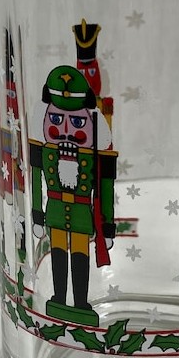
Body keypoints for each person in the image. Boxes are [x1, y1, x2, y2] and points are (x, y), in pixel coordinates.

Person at [29, 65, 117, 327]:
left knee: (80, 257)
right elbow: (34, 181)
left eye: (78, 122)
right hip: (55, 211)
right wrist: (37, 215)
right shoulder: (45, 152)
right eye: (56, 120)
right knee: (57, 255)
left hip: (81, 214)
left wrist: (107, 227)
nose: (66, 130)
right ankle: (58, 298)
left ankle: (80, 303)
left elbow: (105, 190)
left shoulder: (95, 158)